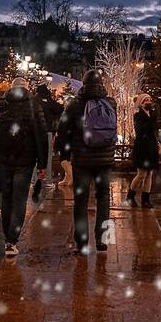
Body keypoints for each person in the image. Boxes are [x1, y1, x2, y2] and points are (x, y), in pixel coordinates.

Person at [55, 71, 118, 254]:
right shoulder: (111, 103)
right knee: (104, 198)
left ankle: (82, 243)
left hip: (82, 160)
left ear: (83, 84)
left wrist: (65, 153)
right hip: (105, 160)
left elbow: (62, 130)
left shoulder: (75, 104)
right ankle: (102, 240)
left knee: (80, 201)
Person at [0, 76, 48, 257]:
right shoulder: (33, 106)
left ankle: (7, 237)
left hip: (3, 160)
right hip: (25, 161)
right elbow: (41, 137)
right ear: (26, 88)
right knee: (19, 199)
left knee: (6, 197)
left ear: (10, 89)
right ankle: (12, 240)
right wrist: (42, 163)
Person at [128, 93, 160, 209]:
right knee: (141, 174)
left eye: (150, 100)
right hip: (142, 147)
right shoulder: (138, 115)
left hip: (151, 146)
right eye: (146, 100)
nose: (149, 102)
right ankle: (130, 196)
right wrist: (151, 118)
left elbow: (154, 130)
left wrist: (153, 115)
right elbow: (141, 130)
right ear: (141, 103)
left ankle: (146, 200)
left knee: (149, 174)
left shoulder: (152, 114)